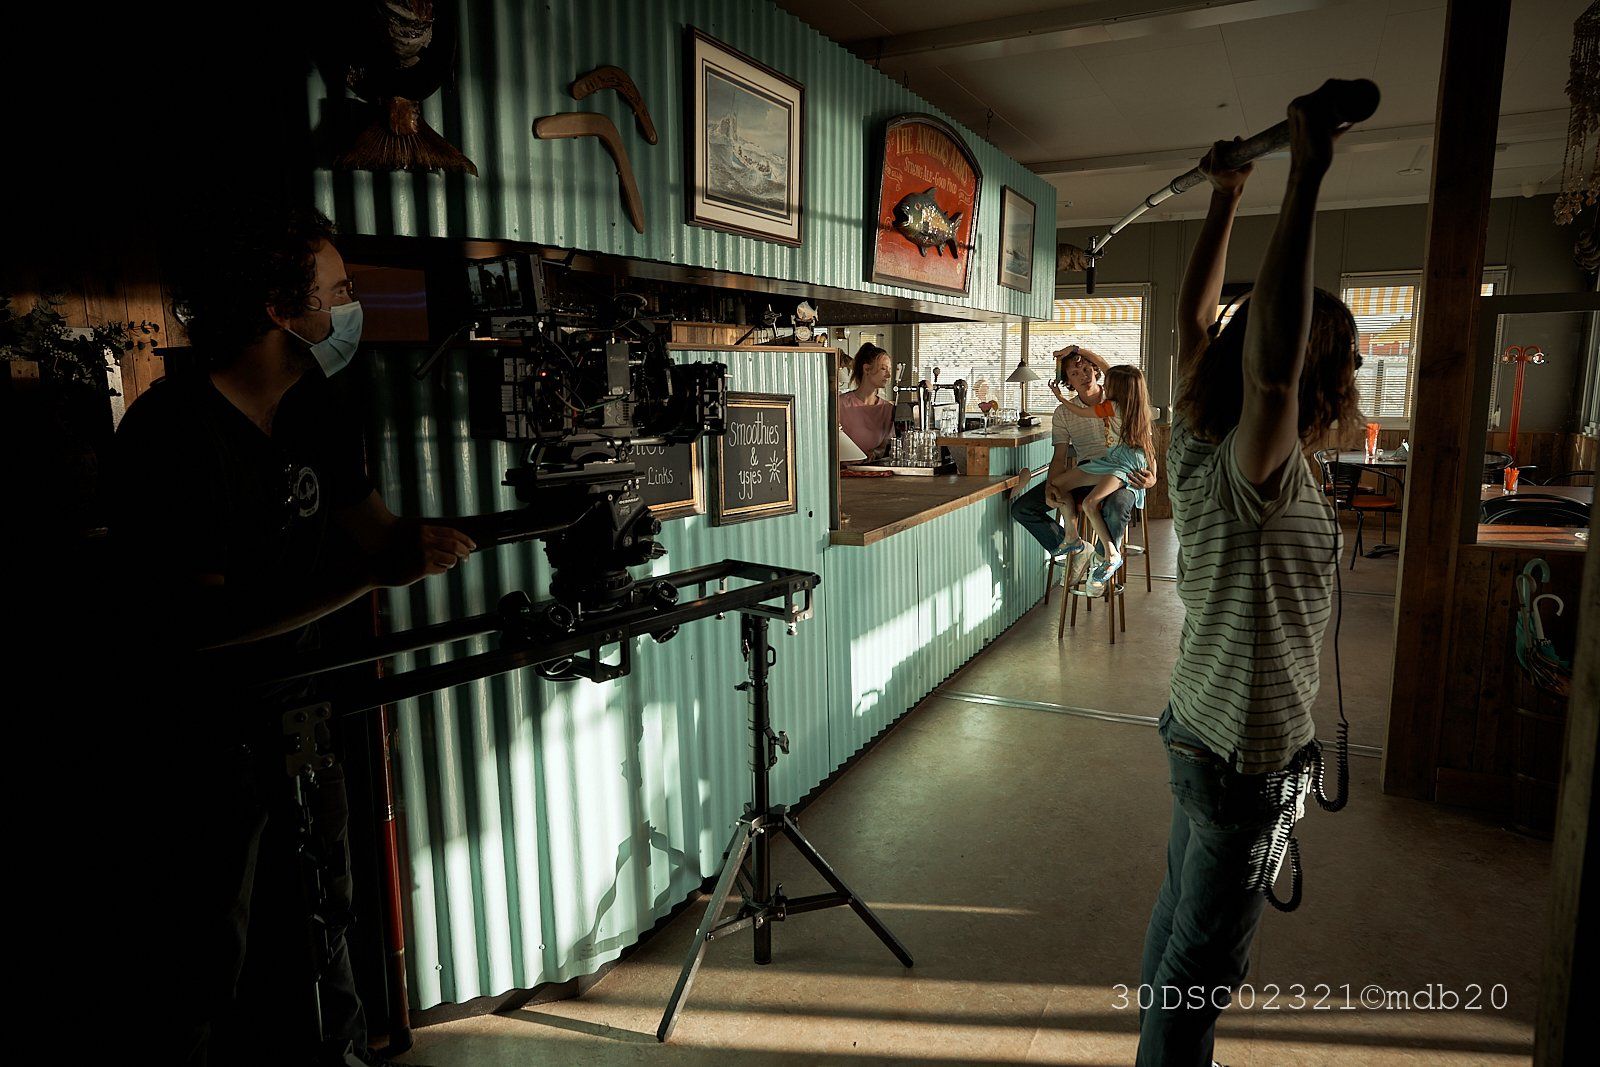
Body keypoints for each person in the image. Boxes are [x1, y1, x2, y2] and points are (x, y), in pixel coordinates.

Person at [111, 206, 476, 1067]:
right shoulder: (170, 435)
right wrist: (370, 576)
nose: (351, 308)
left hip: (305, 711)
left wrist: (453, 539)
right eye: (338, 291)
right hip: (201, 733)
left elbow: (376, 533)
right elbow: (196, 626)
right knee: (206, 950)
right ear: (280, 308)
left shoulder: (317, 407)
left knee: (323, 915)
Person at [1136, 90, 1362, 1066]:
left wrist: (1227, 194)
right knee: (1200, 971)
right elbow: (1268, 372)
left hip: (1199, 728)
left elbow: (1196, 325)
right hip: (1241, 759)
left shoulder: (1199, 435)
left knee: (1175, 932)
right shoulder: (1253, 467)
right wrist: (1304, 173)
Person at [1009, 346, 1156, 593]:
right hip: (1089, 471)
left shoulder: (1123, 397)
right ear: (1068, 381)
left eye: (1087, 369)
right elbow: (1059, 457)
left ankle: (1102, 562)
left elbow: (1146, 443)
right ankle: (1077, 550)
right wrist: (1050, 487)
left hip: (1123, 474)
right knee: (1023, 508)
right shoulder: (1064, 413)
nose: (1084, 375)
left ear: (1097, 372)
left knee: (1116, 507)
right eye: (1075, 373)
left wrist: (1152, 478)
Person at [1046, 364, 1156, 587]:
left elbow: (1080, 411)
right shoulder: (1137, 408)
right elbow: (1148, 448)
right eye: (1075, 373)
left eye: (1108, 382)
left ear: (1117, 388)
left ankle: (1110, 554)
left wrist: (1060, 397)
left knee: (1090, 503)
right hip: (1112, 460)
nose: (1104, 384)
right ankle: (1073, 538)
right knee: (1057, 484)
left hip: (1124, 464)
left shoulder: (1112, 406)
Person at [839, 342, 896, 459]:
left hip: (872, 468)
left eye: (889, 370)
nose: (889, 375)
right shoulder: (841, 404)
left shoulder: (887, 409)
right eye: (883, 369)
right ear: (867, 369)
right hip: (844, 469)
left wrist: (874, 454)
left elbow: (886, 447)